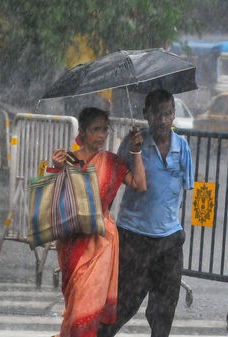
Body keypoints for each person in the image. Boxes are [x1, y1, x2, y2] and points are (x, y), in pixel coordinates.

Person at [97, 89, 194, 337]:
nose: (163, 120)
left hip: (170, 242)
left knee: (164, 312)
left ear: (173, 115)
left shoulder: (182, 148)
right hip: (134, 238)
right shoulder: (131, 145)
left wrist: (168, 226)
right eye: (157, 114)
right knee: (122, 306)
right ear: (146, 114)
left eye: (167, 113)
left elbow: (183, 192)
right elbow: (113, 181)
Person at [49, 107, 146, 337]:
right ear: (82, 132)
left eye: (104, 130)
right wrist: (55, 168)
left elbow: (140, 184)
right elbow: (55, 200)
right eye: (95, 130)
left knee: (87, 305)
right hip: (73, 242)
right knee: (75, 307)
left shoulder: (112, 162)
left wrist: (136, 152)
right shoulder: (68, 160)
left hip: (101, 243)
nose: (101, 135)